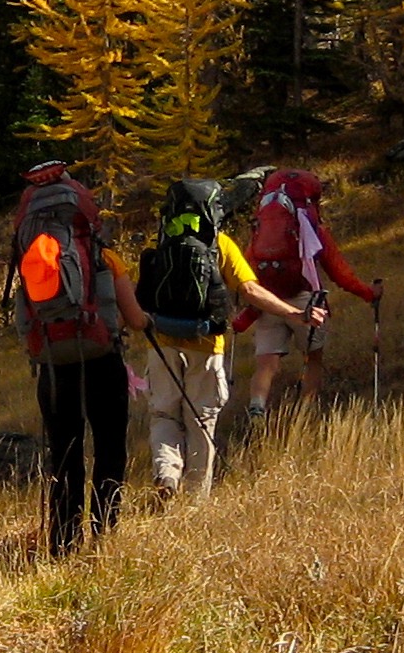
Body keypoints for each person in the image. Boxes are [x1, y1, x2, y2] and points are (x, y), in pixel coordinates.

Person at [0, 160, 151, 556]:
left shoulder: (31, 258)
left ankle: (63, 543)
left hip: (53, 365)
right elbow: (135, 320)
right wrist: (143, 319)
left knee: (64, 455)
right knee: (109, 448)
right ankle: (105, 534)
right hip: (102, 359)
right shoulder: (105, 258)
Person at [132, 176, 306, 497]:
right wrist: (292, 312)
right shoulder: (220, 244)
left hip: (162, 342)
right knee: (201, 420)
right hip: (207, 344)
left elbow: (140, 296)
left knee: (164, 415)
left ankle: (167, 474)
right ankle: (196, 499)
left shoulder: (160, 242)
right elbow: (250, 290)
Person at [238, 168, 378, 423]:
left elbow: (248, 267)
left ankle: (256, 408)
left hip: (269, 302)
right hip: (307, 302)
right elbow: (339, 273)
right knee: (312, 359)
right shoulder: (312, 228)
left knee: (266, 364)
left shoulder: (261, 227)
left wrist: (252, 306)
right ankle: (305, 414)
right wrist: (368, 293)